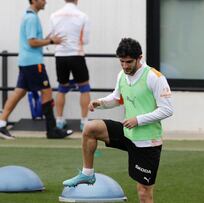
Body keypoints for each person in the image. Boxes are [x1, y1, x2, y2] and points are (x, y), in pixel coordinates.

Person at [63, 38, 173, 203]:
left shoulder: (154, 77)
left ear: (139, 58)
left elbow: (167, 109)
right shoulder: (122, 75)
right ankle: (87, 174)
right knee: (90, 128)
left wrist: (138, 120)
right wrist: (100, 103)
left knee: (144, 193)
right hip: (127, 132)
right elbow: (117, 98)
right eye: (122, 62)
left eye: (129, 62)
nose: (125, 66)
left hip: (147, 142)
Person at [0, 0, 73, 139]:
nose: (45, 1)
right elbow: (32, 42)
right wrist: (51, 41)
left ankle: (1, 123)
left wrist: (46, 39)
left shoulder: (30, 16)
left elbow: (34, 41)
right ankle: (52, 130)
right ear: (34, 0)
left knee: (19, 92)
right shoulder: (32, 18)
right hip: (33, 63)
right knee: (46, 91)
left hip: (26, 62)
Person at [49, 0, 91, 131]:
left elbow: (51, 36)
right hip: (76, 54)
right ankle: (84, 121)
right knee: (84, 88)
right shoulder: (83, 16)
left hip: (60, 55)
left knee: (62, 88)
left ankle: (59, 120)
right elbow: (85, 40)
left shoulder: (54, 15)